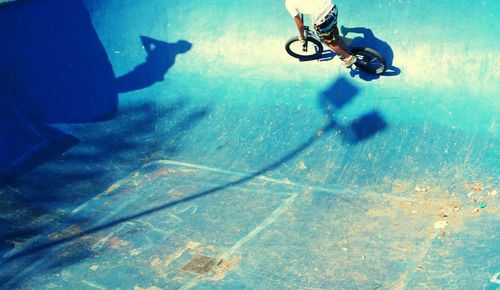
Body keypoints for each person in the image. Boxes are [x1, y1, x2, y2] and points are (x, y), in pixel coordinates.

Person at [285, 0, 357, 68]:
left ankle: (349, 57)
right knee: (332, 25)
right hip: (332, 8)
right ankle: (338, 38)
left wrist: (301, 35)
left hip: (323, 20)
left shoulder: (289, 3)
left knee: (328, 42)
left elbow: (300, 25)